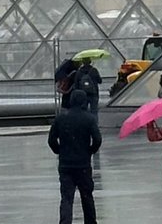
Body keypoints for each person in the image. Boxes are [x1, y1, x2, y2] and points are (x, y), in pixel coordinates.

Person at [47, 88, 102, 224]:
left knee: (66, 198)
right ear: (84, 101)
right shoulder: (89, 119)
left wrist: (59, 151)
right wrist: (90, 151)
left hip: (66, 164)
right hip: (83, 164)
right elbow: (97, 139)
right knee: (87, 197)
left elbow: (51, 140)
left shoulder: (61, 118)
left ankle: (65, 222)